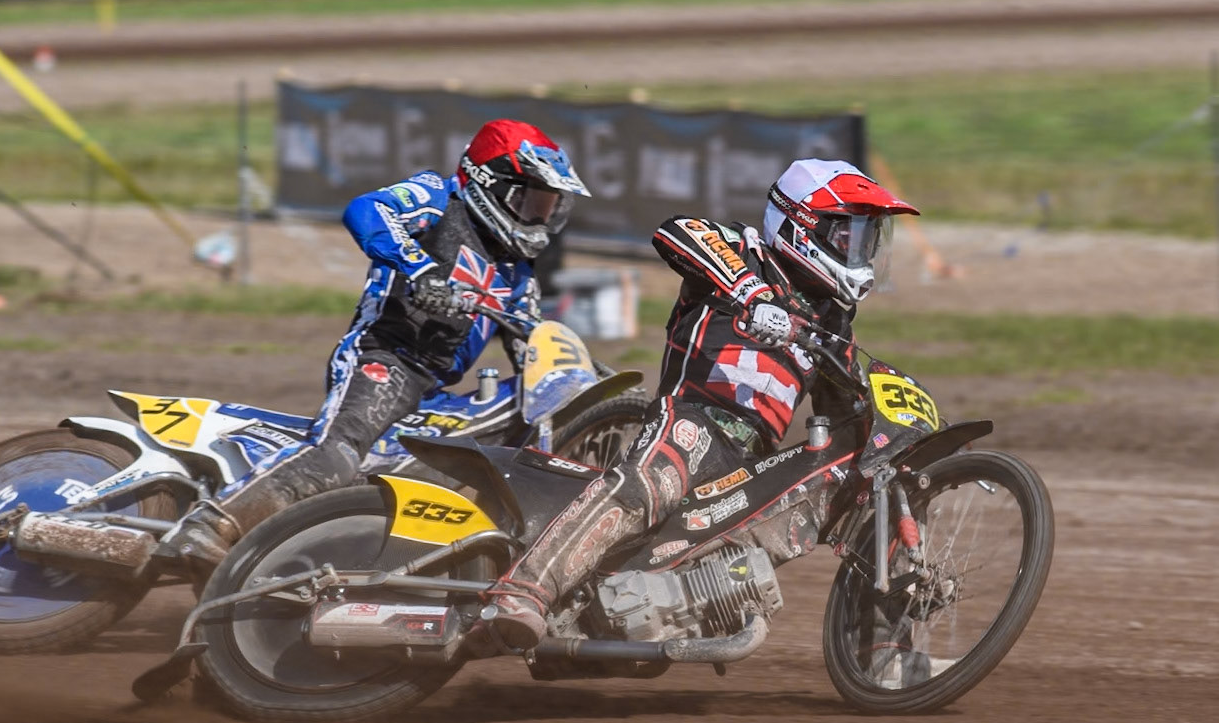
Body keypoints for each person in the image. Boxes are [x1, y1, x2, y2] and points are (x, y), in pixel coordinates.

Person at [483, 158, 919, 648]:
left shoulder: (832, 324)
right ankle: (523, 591)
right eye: (848, 237)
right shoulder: (743, 251)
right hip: (693, 418)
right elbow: (676, 231)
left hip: (750, 464)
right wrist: (753, 296)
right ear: (803, 226)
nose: (860, 251)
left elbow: (846, 415)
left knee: (850, 484)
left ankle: (882, 646)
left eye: (866, 239)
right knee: (651, 483)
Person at [173, 119, 590, 572]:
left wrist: (581, 382)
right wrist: (420, 270)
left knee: (478, 453)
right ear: (491, 182)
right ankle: (211, 524)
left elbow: (533, 339)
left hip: (433, 391)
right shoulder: (438, 197)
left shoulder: (516, 272)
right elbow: (367, 209)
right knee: (337, 454)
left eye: (548, 206)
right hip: (384, 357)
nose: (539, 217)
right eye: (531, 202)